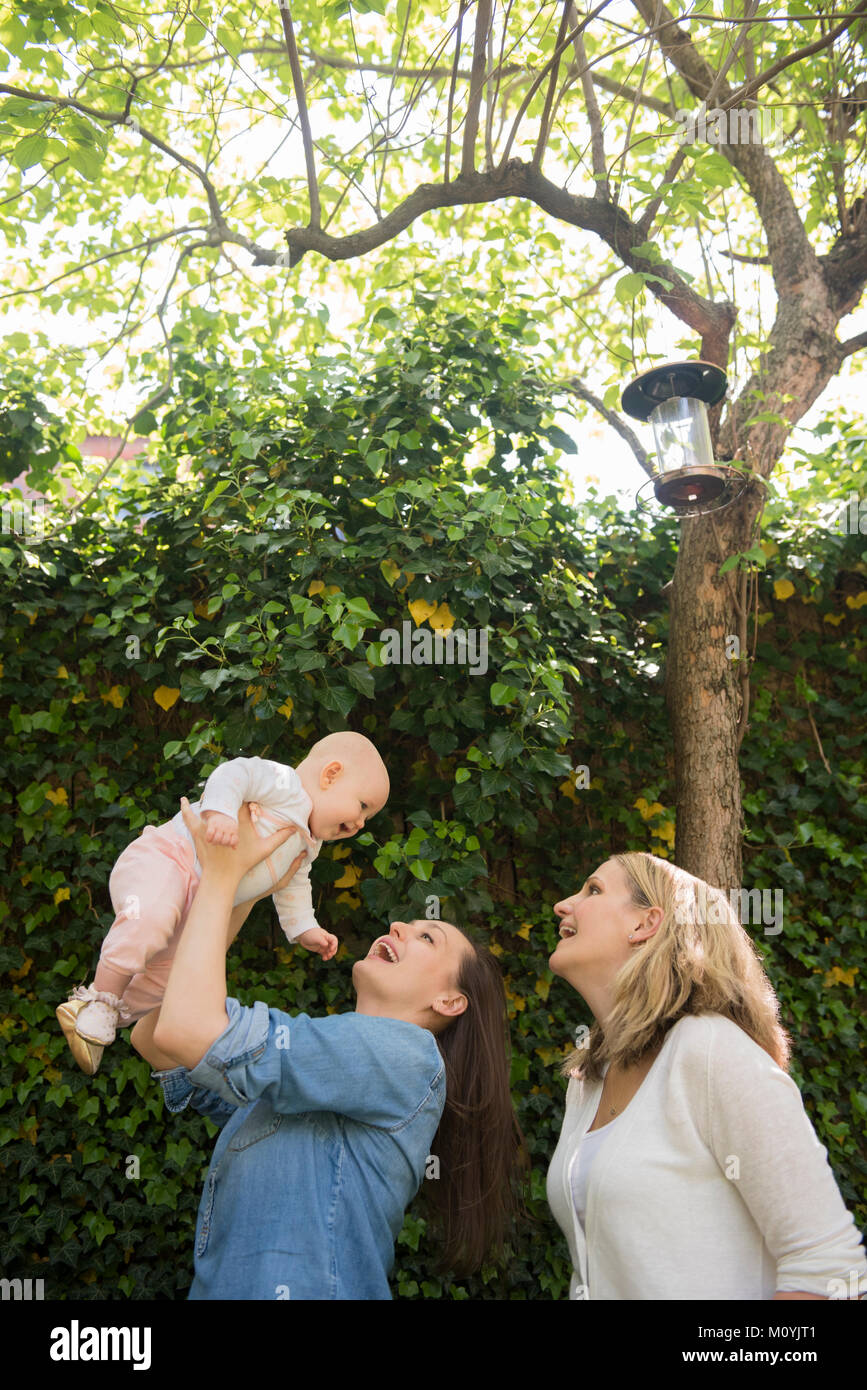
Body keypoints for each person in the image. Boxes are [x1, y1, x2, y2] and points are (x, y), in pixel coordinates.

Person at [131, 798, 524, 1299]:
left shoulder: (408, 1056)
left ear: (449, 1001)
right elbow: (156, 1034)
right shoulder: (318, 1065)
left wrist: (222, 879)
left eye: (428, 938)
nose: (399, 925)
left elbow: (185, 1029)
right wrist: (251, 886)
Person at [546, 852, 867, 1301]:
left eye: (593, 890)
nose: (564, 904)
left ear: (645, 924)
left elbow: (833, 1271)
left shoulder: (710, 1049)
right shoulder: (586, 1080)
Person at [57, 731, 389, 1074]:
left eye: (369, 817)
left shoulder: (310, 843)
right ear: (330, 775)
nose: (361, 823)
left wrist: (305, 927)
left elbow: (292, 885)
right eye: (363, 805)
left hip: (197, 903)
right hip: (169, 861)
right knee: (151, 918)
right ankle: (101, 997)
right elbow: (234, 773)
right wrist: (221, 815)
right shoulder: (284, 783)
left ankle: (102, 1017)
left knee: (172, 977)